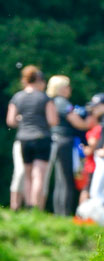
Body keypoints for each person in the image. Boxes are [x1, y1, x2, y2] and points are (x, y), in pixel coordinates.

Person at [6, 66, 58, 209]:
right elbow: (53, 120)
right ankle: (34, 207)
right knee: (38, 175)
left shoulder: (17, 97)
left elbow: (11, 121)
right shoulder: (44, 98)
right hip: (42, 138)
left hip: (23, 138)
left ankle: (27, 203)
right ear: (39, 81)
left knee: (27, 174)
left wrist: (21, 119)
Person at [46, 75, 89, 215]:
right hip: (65, 141)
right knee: (66, 181)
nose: (70, 89)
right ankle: (64, 214)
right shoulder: (63, 103)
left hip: (55, 141)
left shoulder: (52, 102)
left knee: (60, 180)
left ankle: (59, 213)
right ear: (61, 88)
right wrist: (92, 120)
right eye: (67, 86)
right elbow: (78, 123)